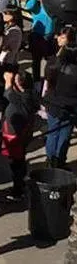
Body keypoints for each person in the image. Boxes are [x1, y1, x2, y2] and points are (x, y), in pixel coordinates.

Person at [1, 71, 37, 201]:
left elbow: (8, 93)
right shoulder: (28, 95)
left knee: (16, 162)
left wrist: (8, 80)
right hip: (21, 133)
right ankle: (19, 183)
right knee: (18, 160)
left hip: (16, 136)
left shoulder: (21, 99)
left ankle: (18, 189)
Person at [44, 37, 77, 169]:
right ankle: (59, 160)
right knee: (64, 134)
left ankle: (50, 159)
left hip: (53, 103)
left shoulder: (53, 65)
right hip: (71, 107)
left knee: (53, 133)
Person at [25, 0, 56, 80]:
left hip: (50, 35)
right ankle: (36, 81)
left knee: (50, 60)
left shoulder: (51, 6)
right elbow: (28, 6)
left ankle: (48, 79)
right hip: (38, 36)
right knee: (37, 60)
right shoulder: (36, 7)